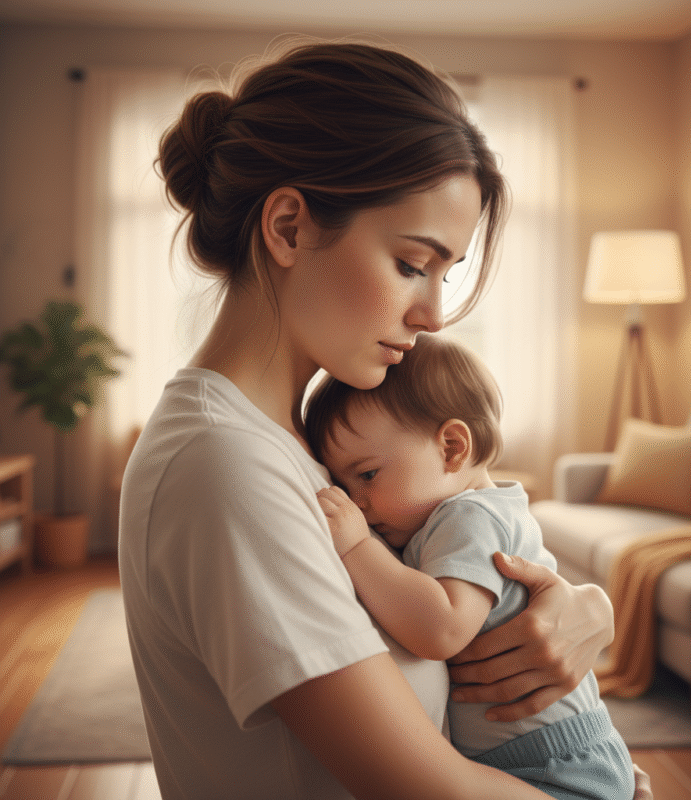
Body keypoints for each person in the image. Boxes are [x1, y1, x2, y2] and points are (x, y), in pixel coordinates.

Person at [118, 39, 653, 800]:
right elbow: (424, 786)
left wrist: (577, 609)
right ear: (289, 227)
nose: (433, 314)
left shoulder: (298, 444)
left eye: (444, 274)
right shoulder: (226, 466)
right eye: (411, 264)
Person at [306, 333, 635, 800]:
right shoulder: (446, 520)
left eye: (367, 475)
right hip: (537, 760)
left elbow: (441, 628)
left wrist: (357, 546)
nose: (357, 502)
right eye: (343, 485)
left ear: (452, 448)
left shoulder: (469, 517)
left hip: (555, 767)